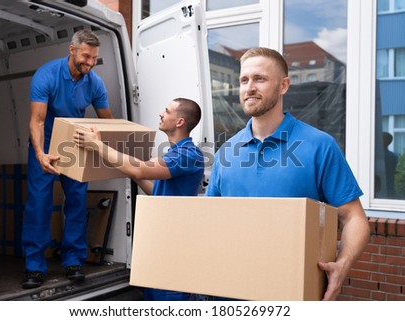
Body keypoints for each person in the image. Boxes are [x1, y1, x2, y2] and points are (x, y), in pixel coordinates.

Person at [205, 47, 370, 301]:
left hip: (294, 295)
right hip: (229, 293)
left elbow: (354, 218)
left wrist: (343, 264)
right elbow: (210, 221)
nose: (249, 87)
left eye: (259, 79)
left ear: (283, 86)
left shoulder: (319, 145)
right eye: (244, 80)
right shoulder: (227, 150)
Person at [73, 97, 205, 300]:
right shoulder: (175, 153)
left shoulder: (188, 154)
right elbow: (155, 190)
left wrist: (98, 146)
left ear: (180, 122)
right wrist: (116, 160)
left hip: (173, 248)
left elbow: (141, 168)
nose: (161, 114)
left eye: (167, 111)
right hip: (159, 244)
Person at [21, 29, 114, 289]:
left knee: (76, 202)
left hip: (75, 146)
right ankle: (34, 266)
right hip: (45, 144)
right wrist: (40, 154)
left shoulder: (94, 82)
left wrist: (104, 139)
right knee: (38, 204)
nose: (90, 63)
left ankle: (73, 260)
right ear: (72, 50)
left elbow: (108, 121)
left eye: (94, 58)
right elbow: (36, 121)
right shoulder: (47, 75)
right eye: (86, 56)